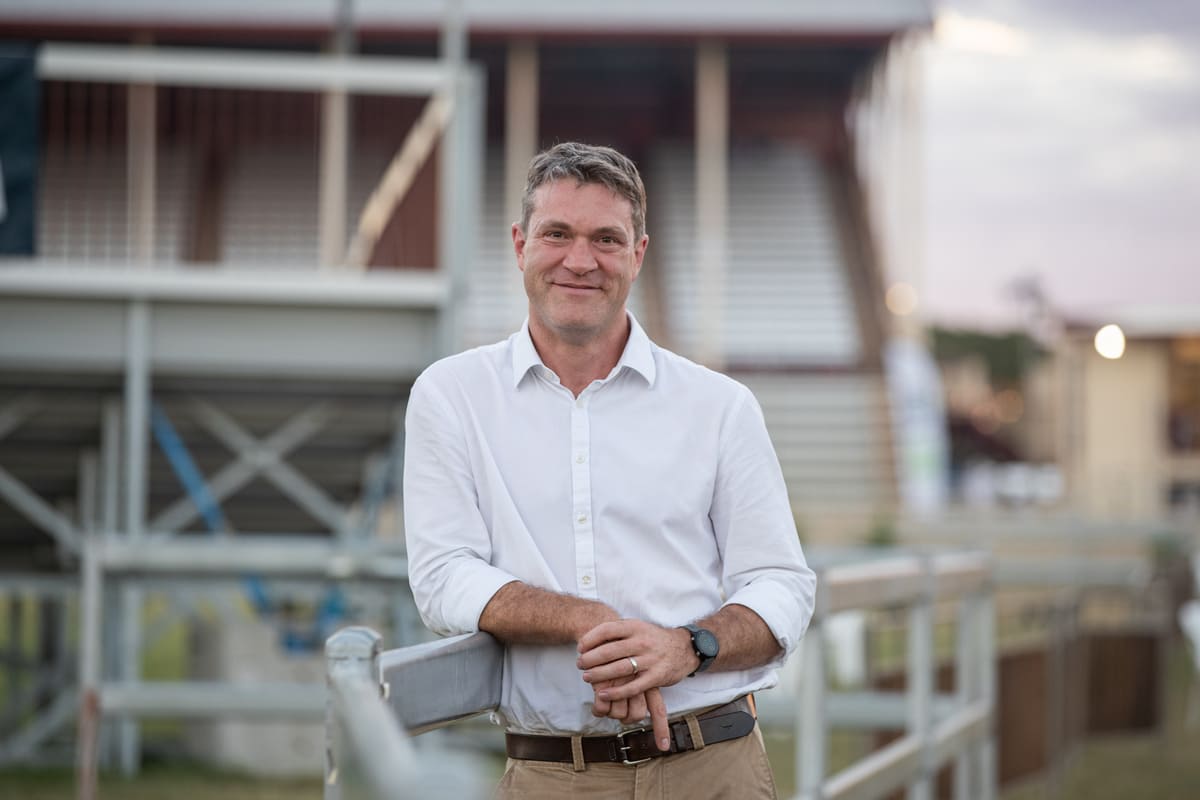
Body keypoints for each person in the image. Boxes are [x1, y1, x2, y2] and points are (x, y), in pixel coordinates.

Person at [404, 141, 816, 798]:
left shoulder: (720, 406)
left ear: (638, 254)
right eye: (557, 234)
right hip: (550, 774)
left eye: (606, 239)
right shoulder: (450, 395)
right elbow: (441, 577)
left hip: (711, 766)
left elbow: (782, 585)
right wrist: (586, 619)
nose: (580, 260)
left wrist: (687, 646)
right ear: (519, 244)